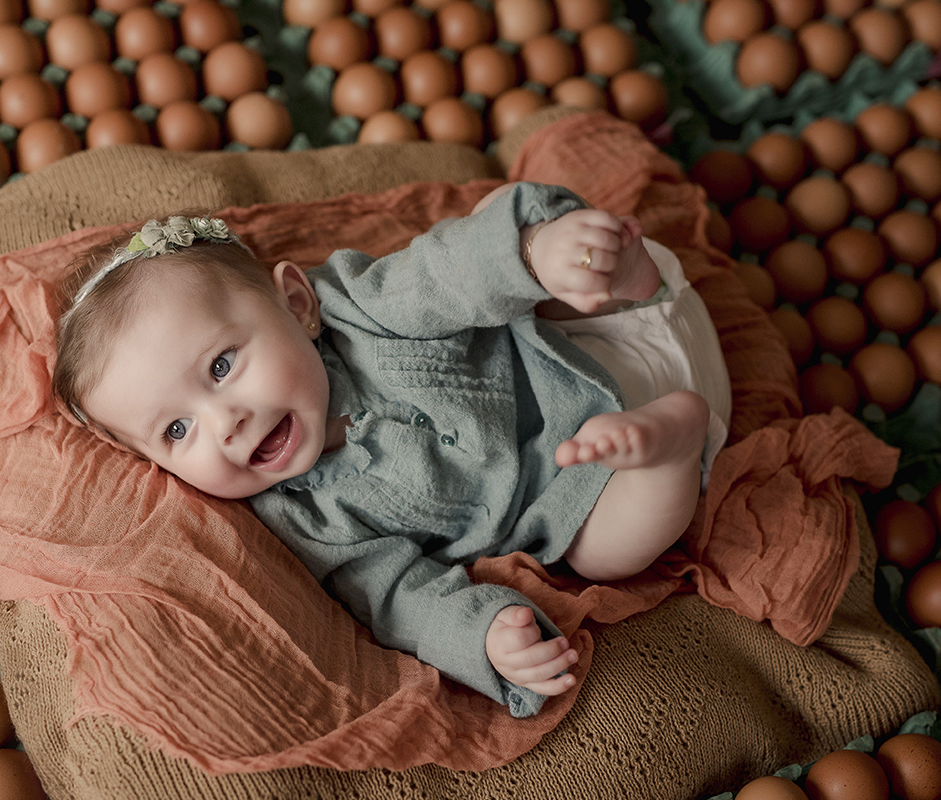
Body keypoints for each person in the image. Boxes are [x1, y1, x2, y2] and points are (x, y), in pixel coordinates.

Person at [51, 182, 731, 717]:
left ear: (297, 305)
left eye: (223, 366)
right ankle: (672, 441)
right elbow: (396, 595)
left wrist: (532, 258)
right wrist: (483, 637)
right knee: (601, 552)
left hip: (594, 324)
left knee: (496, 225)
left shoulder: (355, 307)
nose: (225, 423)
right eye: (177, 431)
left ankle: (607, 263)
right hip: (586, 479)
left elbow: (442, 276)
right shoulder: (304, 519)